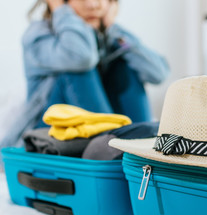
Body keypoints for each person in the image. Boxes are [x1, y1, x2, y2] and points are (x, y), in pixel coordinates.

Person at [24, 0, 169, 127]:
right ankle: (111, 145)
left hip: (92, 134)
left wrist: (112, 28)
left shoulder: (111, 35)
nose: (93, 4)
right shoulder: (39, 34)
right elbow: (81, 57)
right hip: (46, 131)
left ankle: (140, 143)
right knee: (78, 67)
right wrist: (60, 11)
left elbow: (158, 74)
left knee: (125, 65)